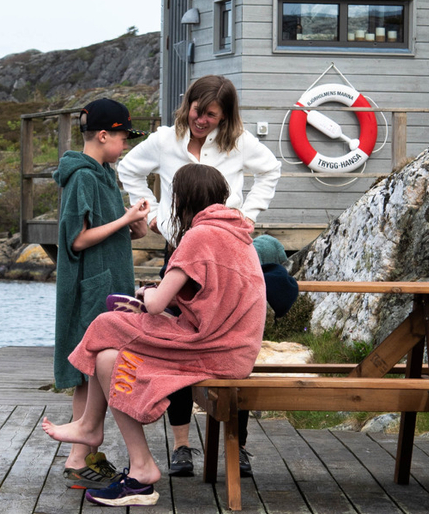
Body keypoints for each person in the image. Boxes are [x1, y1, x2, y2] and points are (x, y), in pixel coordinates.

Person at [43, 163, 267, 507]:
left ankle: (89, 425)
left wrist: (147, 293)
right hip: (234, 350)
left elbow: (157, 303)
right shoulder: (238, 235)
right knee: (107, 359)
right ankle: (140, 468)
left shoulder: (199, 236)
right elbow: (215, 296)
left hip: (210, 348)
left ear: (182, 199)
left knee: (105, 324)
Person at [117, 74, 282, 477]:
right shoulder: (164, 140)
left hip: (227, 256)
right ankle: (181, 446)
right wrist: (154, 215)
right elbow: (128, 169)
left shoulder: (239, 143)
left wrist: (247, 215)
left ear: (225, 116)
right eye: (197, 111)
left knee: (229, 342)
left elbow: (270, 171)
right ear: (187, 104)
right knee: (173, 346)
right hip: (180, 251)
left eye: (211, 115)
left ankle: (237, 447)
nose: (202, 120)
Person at [52, 98, 149, 490]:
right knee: (86, 368)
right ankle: (78, 458)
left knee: (97, 367)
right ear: (104, 135)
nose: (126, 145)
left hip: (110, 283)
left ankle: (84, 457)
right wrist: (124, 219)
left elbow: (108, 228)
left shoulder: (106, 174)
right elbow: (75, 239)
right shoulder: (82, 177)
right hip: (90, 285)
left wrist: (134, 226)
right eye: (124, 138)